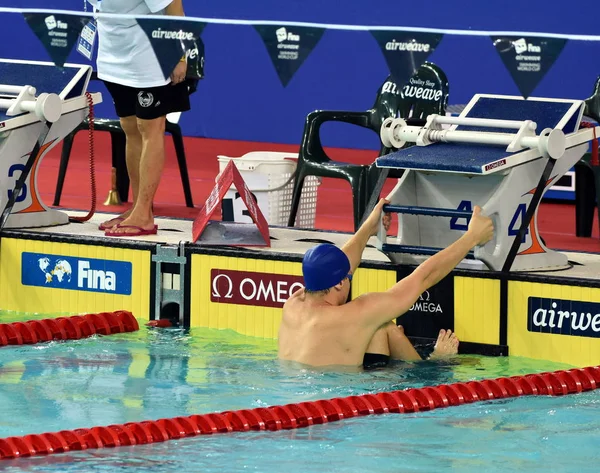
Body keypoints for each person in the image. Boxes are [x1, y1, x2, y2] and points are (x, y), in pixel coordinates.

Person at [278, 198, 495, 370]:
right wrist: (472, 238)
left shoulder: (293, 304)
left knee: (384, 329)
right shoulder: (356, 315)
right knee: (390, 331)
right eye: (348, 277)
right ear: (338, 284)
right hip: (341, 409)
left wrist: (368, 229)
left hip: (295, 402)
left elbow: (334, 268)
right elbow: (423, 277)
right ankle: (436, 362)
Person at [87, 0, 191, 237]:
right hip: (113, 57)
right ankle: (137, 207)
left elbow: (174, 7)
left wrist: (180, 57)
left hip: (149, 59)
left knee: (150, 129)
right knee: (130, 129)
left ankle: (144, 213)